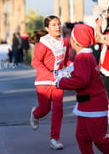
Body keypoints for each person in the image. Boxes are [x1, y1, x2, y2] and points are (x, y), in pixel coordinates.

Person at [57, 24, 109, 154]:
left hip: (94, 104)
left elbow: (82, 81)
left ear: (74, 41)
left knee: (99, 139)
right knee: (82, 137)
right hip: (87, 104)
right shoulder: (84, 56)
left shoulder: (82, 57)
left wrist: (61, 82)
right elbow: (82, 76)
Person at [29, 15, 72, 150]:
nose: (58, 27)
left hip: (58, 80)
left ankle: (55, 138)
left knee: (58, 109)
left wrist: (73, 65)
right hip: (43, 81)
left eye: (58, 24)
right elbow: (35, 62)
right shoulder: (42, 44)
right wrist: (49, 74)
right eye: (53, 25)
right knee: (45, 109)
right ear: (47, 28)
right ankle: (35, 114)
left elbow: (65, 61)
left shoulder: (65, 41)